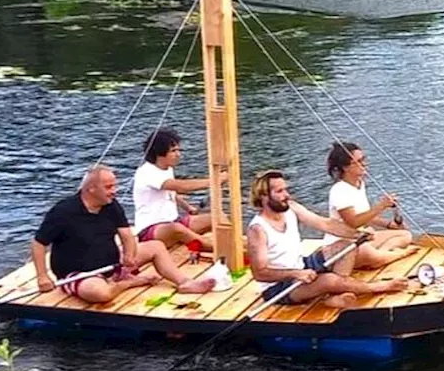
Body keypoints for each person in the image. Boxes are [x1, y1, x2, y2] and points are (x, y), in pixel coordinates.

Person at [32, 165, 216, 303]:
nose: (114, 191)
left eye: (114, 186)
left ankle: (184, 282)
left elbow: (126, 234)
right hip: (80, 273)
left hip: (112, 263)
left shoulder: (111, 205)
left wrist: (129, 254)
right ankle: (129, 283)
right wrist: (42, 276)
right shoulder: (63, 211)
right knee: (101, 294)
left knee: (156, 246)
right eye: (109, 187)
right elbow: (39, 243)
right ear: (91, 189)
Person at [247, 169, 409, 309]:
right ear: (264, 197)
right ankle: (380, 287)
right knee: (329, 280)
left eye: (285, 190)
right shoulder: (258, 229)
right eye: (280, 192)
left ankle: (335, 294)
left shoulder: (291, 208)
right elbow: (260, 273)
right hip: (279, 286)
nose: (286, 195)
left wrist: (356, 234)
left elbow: (325, 224)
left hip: (302, 265)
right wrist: (296, 274)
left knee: (346, 246)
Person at [323, 141, 419, 268]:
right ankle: (396, 255)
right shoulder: (339, 191)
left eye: (364, 159)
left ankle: (380, 256)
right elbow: (354, 222)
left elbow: (365, 216)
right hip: (342, 245)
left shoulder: (359, 184)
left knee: (405, 235)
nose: (364, 164)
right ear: (345, 167)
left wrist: (389, 225)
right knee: (367, 252)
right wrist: (381, 205)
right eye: (358, 161)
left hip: (363, 239)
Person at [132, 128, 219, 251]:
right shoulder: (147, 172)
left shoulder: (167, 168)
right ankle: (222, 250)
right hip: (151, 231)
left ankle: (235, 242)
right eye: (173, 151)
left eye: (178, 150)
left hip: (174, 221)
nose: (178, 154)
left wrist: (188, 207)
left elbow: (171, 193)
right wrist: (215, 180)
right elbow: (180, 186)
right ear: (159, 154)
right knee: (177, 229)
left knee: (216, 218)